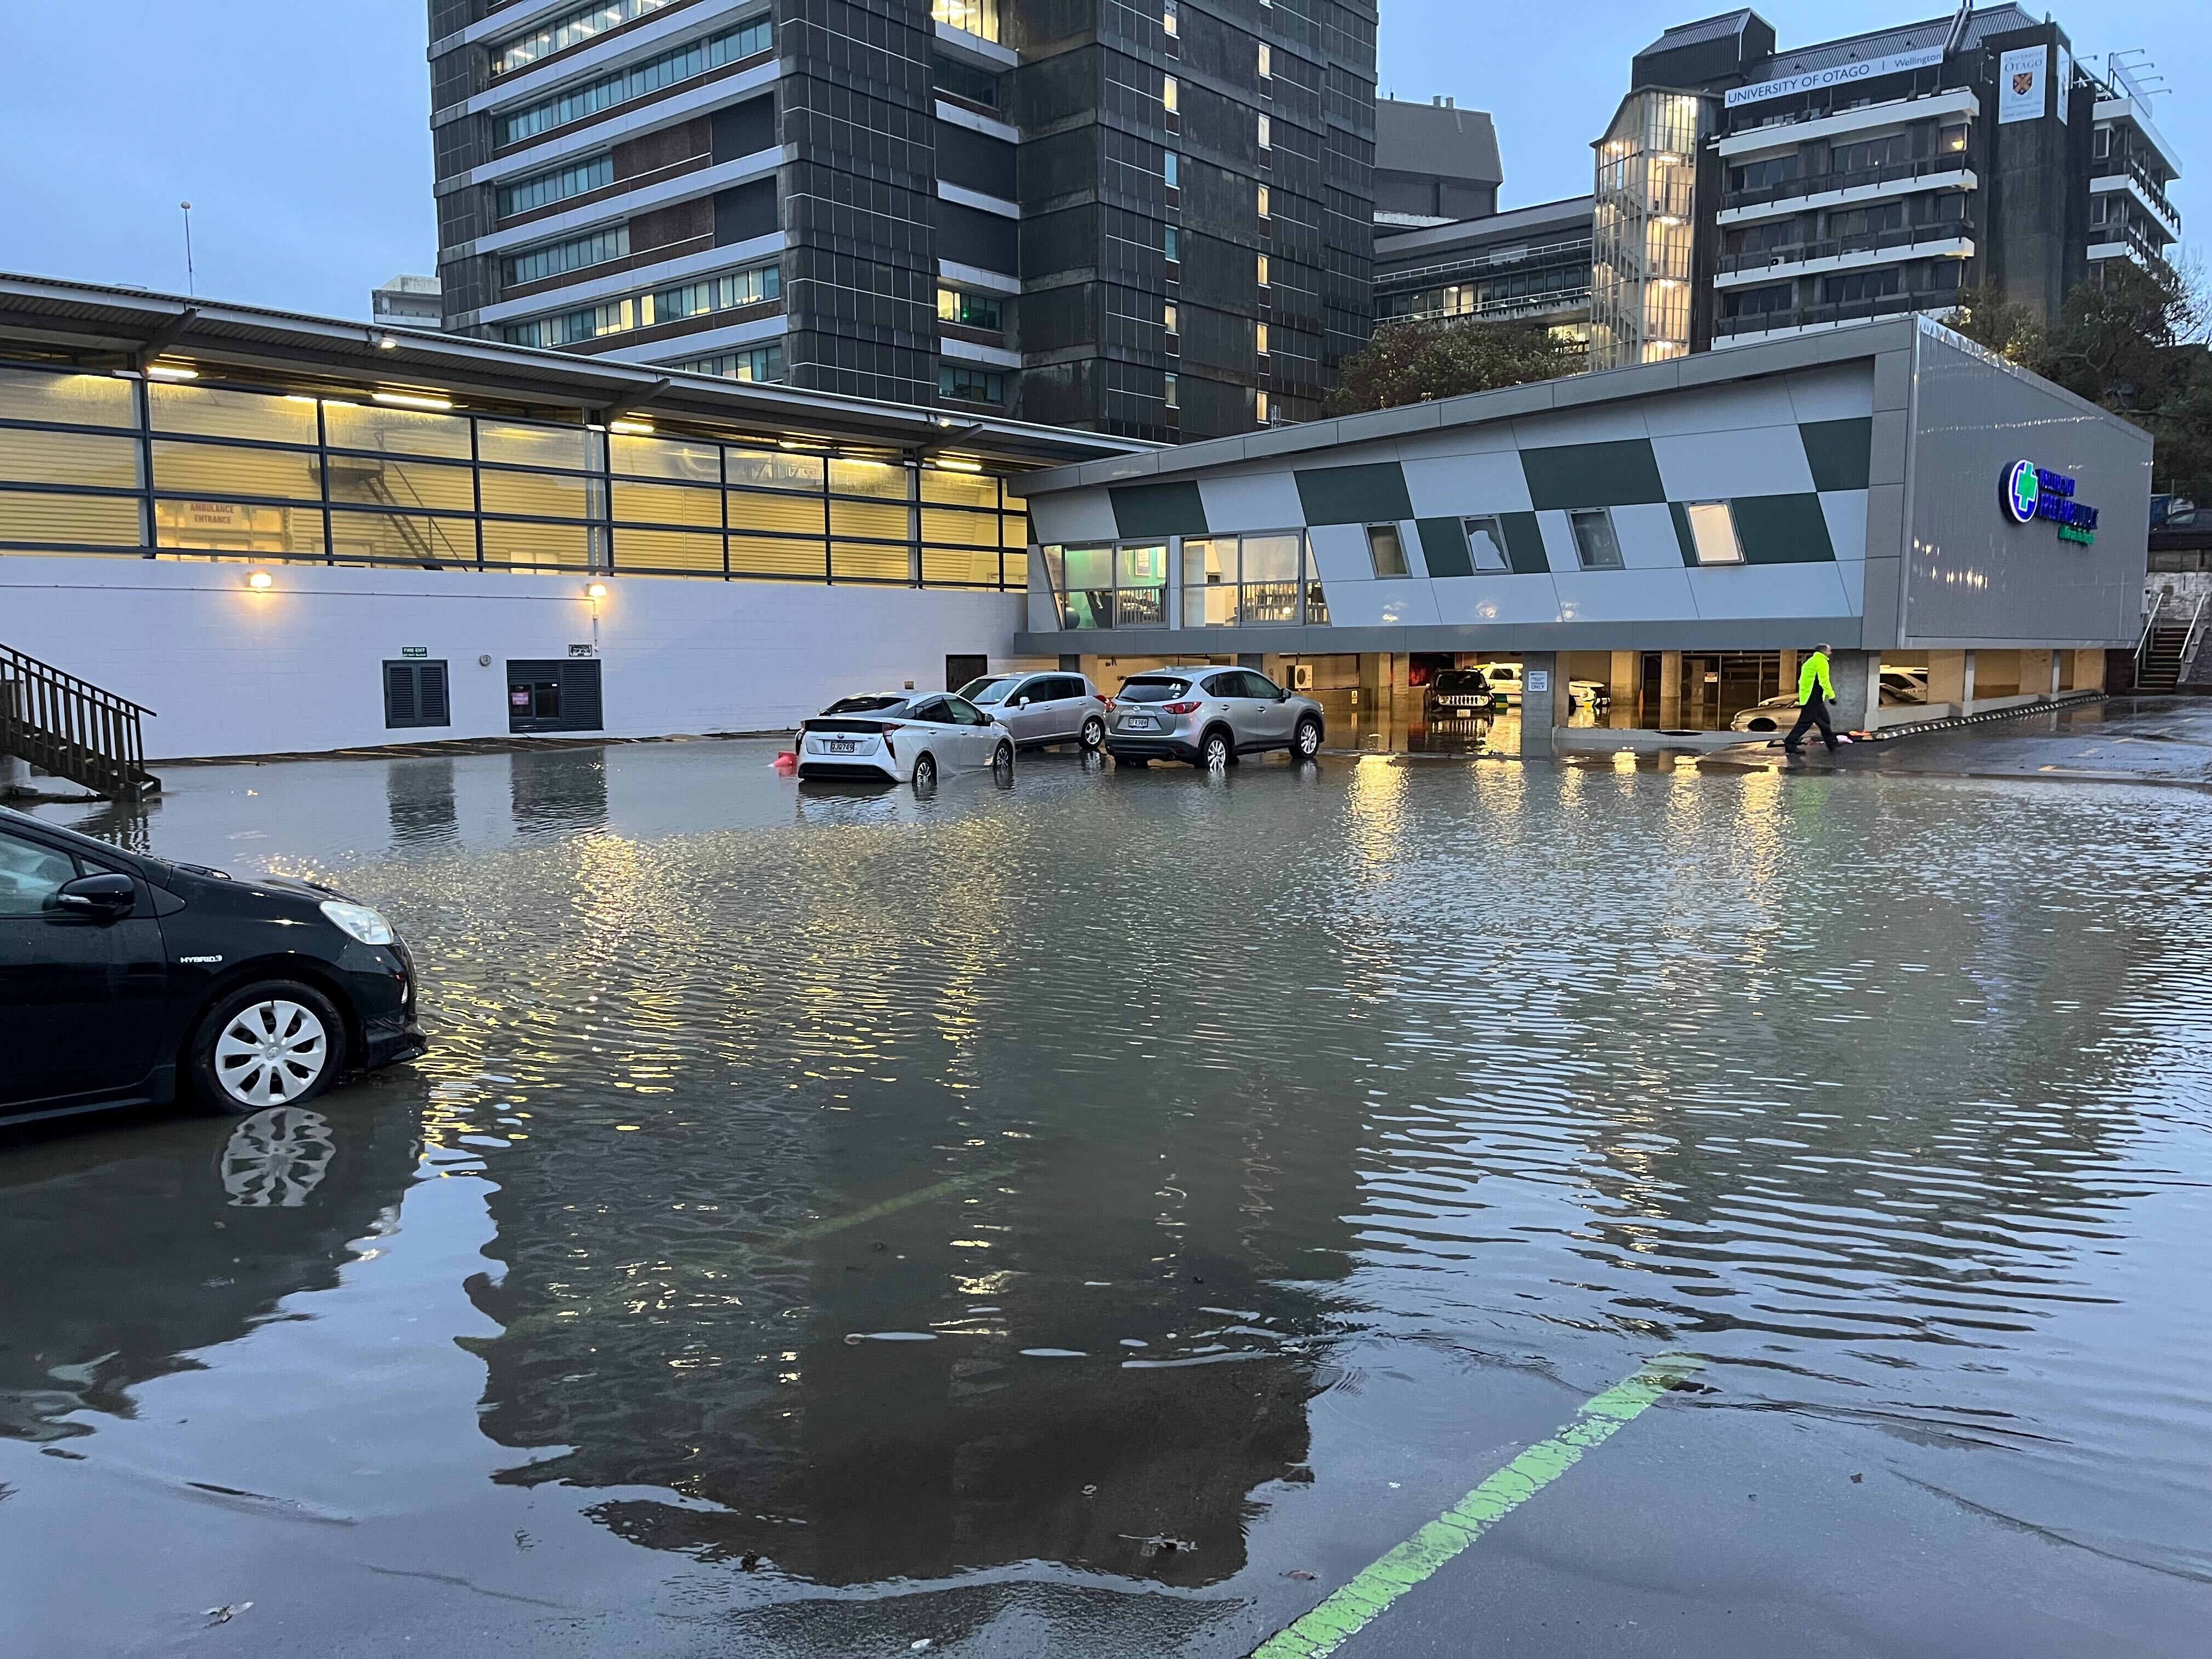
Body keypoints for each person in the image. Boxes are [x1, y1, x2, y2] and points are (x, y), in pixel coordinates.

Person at [1785, 644, 1838, 753]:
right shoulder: (1821, 661)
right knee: (1805, 722)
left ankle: (1832, 743)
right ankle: (1790, 743)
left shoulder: (1810, 661)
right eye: (1829, 651)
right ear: (1824, 652)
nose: (1830, 653)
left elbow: (1802, 681)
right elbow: (1824, 681)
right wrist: (1832, 695)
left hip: (1810, 696)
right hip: (1813, 697)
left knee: (1824, 720)